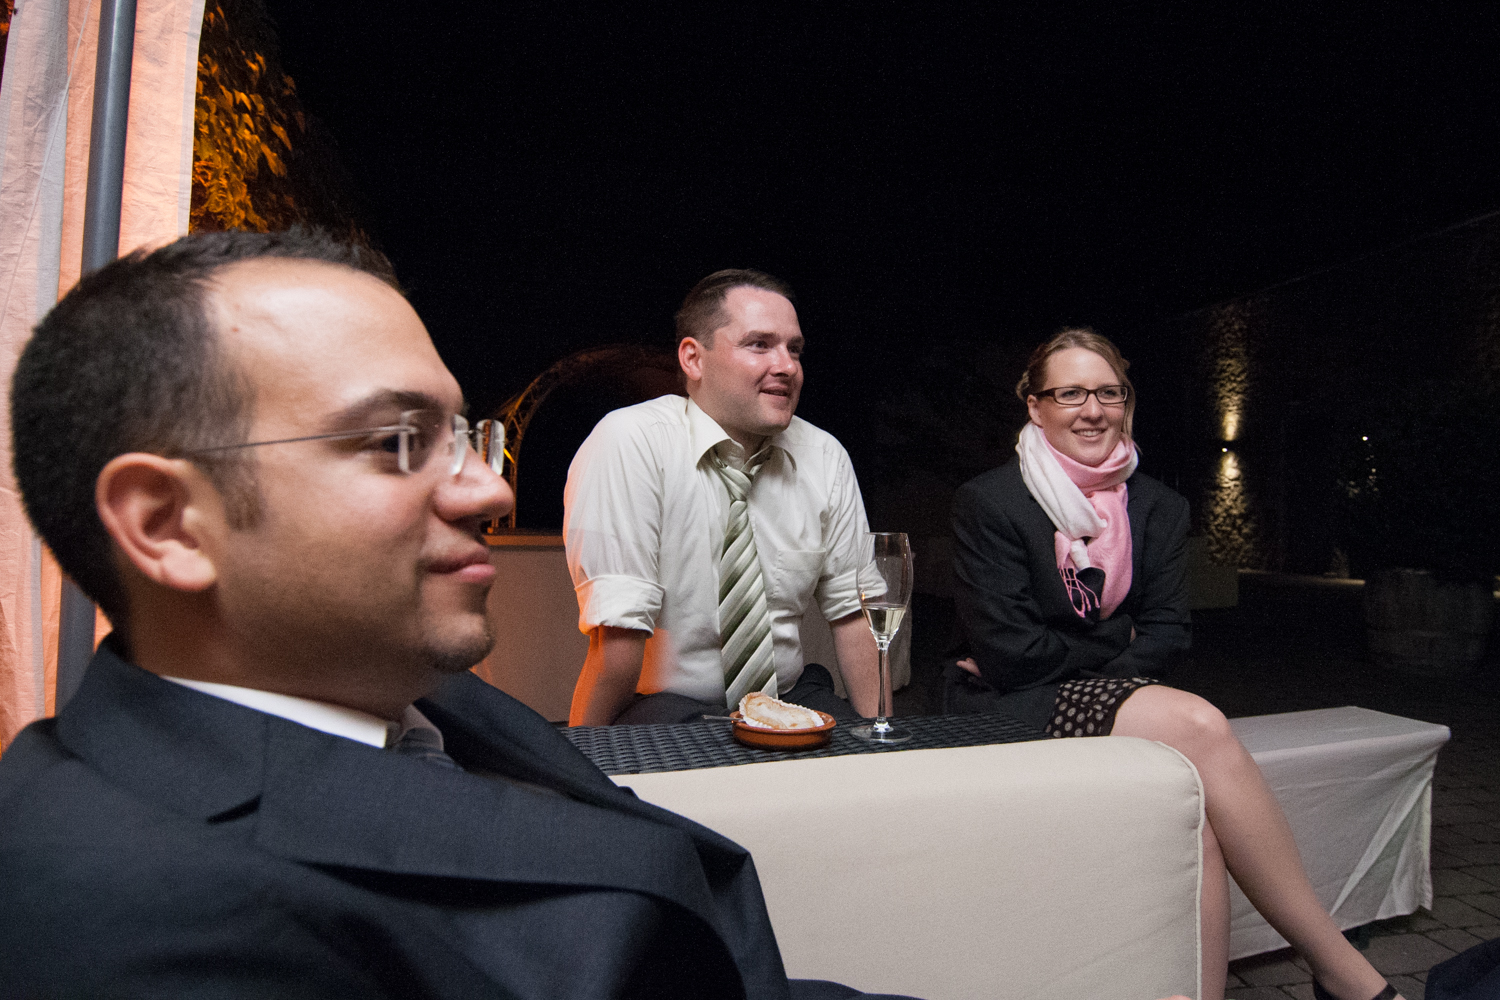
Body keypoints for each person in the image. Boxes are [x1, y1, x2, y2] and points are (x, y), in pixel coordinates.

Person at [0, 231, 917, 1000]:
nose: (491, 490)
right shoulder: (138, 916)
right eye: (398, 441)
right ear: (167, 523)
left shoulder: (437, 704)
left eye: (462, 436)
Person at [943, 327, 1401, 1000]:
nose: (1092, 410)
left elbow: (1168, 635)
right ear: (1035, 406)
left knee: (1197, 824)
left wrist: (1093, 650)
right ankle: (1342, 973)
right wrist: (1117, 638)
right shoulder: (992, 501)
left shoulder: (1157, 505)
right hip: (1006, 705)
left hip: (1102, 696)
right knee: (1199, 723)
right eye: (1070, 393)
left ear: (1126, 402)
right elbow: (1010, 656)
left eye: (1109, 393)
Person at [564, 269, 882, 726]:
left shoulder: (824, 455)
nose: (787, 366)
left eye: (794, 349)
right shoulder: (631, 442)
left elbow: (856, 618)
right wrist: (580, 758)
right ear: (693, 359)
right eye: (759, 344)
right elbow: (615, 650)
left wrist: (881, 740)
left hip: (787, 698)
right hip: (668, 706)